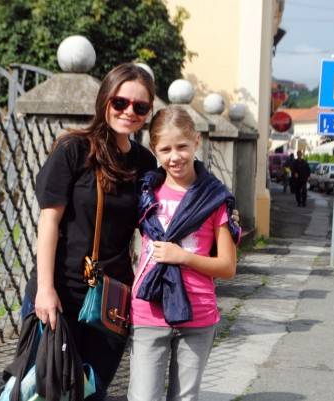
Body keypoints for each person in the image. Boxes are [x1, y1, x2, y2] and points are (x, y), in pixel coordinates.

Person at [21, 63, 157, 401]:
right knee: (43, 391)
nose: (129, 112)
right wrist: (45, 289)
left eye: (140, 106)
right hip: (62, 291)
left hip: (111, 299)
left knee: (92, 391)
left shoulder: (145, 163)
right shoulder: (74, 149)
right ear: (104, 100)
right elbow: (49, 221)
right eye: (120, 102)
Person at [127, 106, 240, 401]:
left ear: (196, 141)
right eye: (165, 150)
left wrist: (183, 257)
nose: (174, 157)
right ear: (154, 150)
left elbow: (227, 267)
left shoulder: (215, 198)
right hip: (148, 310)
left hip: (198, 313)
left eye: (182, 147)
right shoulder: (145, 194)